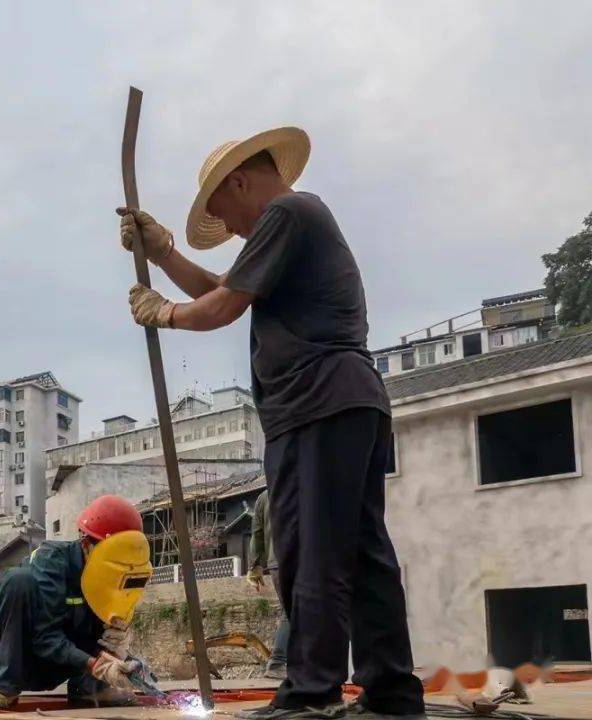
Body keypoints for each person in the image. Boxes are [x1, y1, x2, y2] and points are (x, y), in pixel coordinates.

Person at [118, 127, 425, 720]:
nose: (228, 229)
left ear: (239, 180)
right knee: (359, 552)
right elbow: (225, 290)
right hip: (345, 402)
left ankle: (309, 692)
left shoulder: (287, 211)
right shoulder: (297, 223)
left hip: (317, 402)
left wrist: (166, 313)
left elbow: (220, 306)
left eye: (224, 214)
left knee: (311, 550)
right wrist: (163, 255)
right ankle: (390, 692)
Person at [0, 495, 147, 709]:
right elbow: (44, 637)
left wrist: (118, 654)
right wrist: (98, 665)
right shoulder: (52, 561)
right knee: (18, 580)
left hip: (61, 663)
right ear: (86, 543)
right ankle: (4, 689)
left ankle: (89, 691)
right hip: (20, 654)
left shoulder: (118, 574)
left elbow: (108, 634)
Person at [248, 489, 290, 680]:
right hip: (298, 558)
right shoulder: (303, 483)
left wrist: (255, 566)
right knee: (295, 611)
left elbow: (256, 533)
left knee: (290, 611)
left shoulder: (264, 496)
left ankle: (286, 662)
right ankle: (278, 661)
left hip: (276, 564)